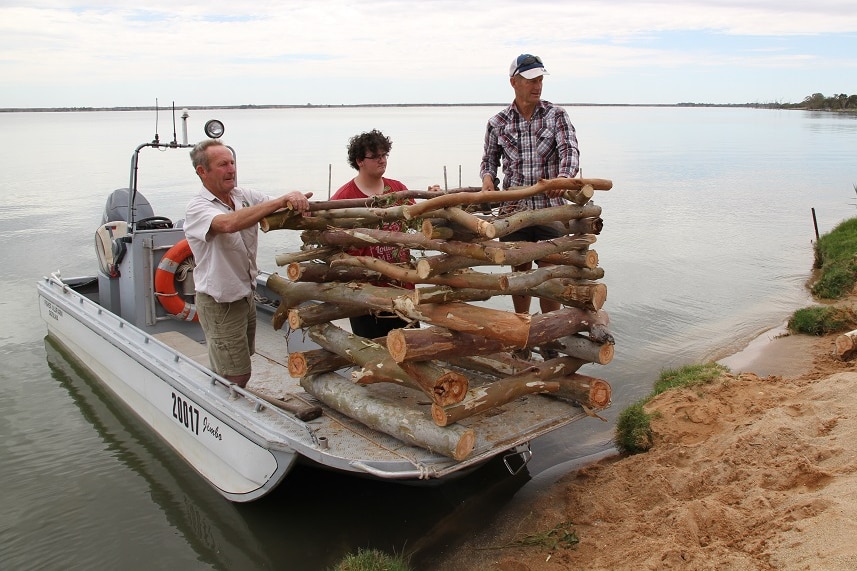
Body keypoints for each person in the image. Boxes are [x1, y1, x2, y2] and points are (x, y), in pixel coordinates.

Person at [184, 139, 311, 388]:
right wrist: (279, 202)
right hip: (220, 301)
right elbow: (227, 224)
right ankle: (223, 407)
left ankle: (228, 386)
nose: (231, 169)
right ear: (202, 171)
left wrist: (295, 200)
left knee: (241, 357)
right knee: (236, 373)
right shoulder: (197, 208)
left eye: (232, 163)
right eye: (222, 165)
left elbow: (282, 207)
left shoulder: (243, 196)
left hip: (245, 294)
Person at [480, 53, 580, 317]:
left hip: (551, 208)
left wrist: (564, 177)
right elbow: (488, 161)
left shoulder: (557, 116)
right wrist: (488, 179)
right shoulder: (497, 123)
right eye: (530, 80)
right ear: (514, 82)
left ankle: (549, 331)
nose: (537, 86)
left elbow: (570, 150)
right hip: (514, 212)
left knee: (550, 275)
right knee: (520, 274)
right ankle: (522, 328)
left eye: (539, 79)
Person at [331, 130, 437, 339]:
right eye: (376, 156)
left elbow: (417, 223)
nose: (382, 161)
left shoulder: (397, 189)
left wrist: (432, 201)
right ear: (360, 161)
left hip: (402, 287)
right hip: (366, 292)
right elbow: (332, 242)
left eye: (384, 155)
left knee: (408, 347)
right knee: (373, 352)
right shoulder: (344, 198)